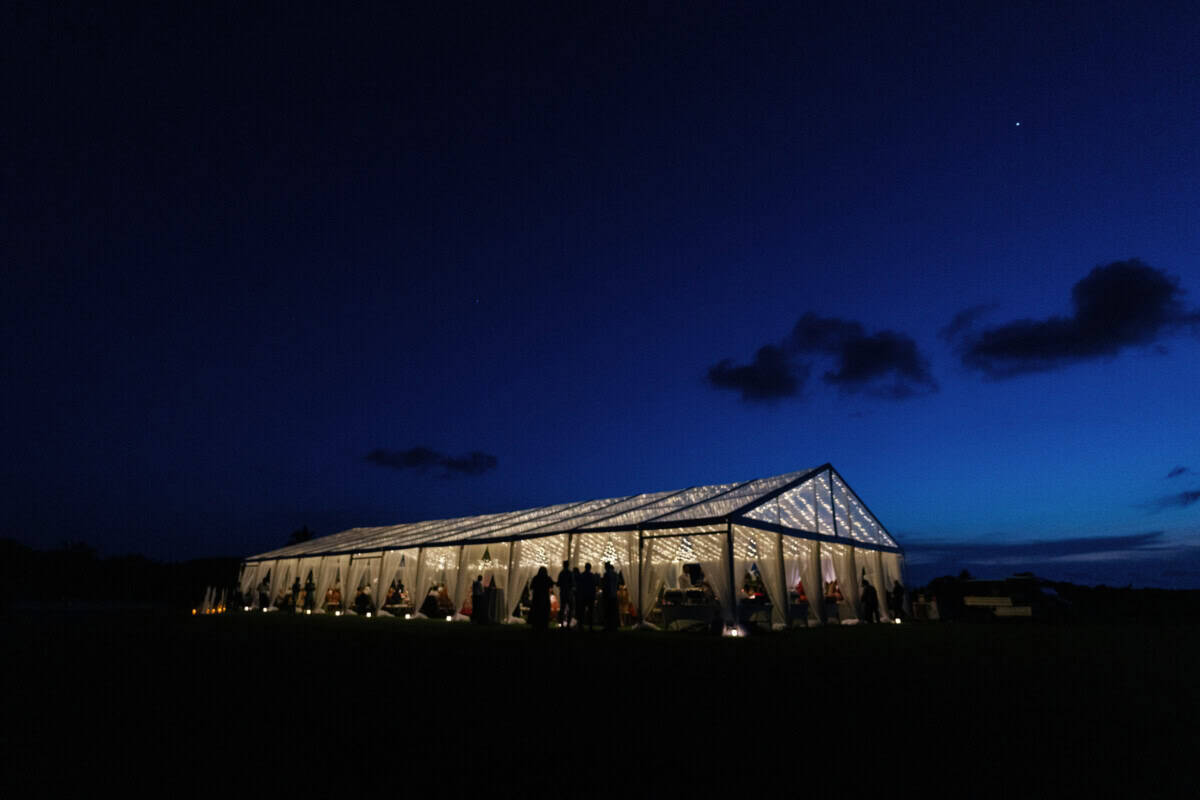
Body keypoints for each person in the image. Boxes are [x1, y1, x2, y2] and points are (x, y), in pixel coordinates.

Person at [528, 566, 554, 631]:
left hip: (537, 598)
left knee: (537, 611)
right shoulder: (547, 578)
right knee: (544, 612)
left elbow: (531, 587)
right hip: (545, 597)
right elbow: (551, 586)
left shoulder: (536, 578)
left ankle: (536, 624)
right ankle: (544, 625)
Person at [576, 563, 597, 631]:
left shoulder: (582, 575)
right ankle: (590, 625)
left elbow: (579, 586)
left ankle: (581, 625)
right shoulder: (592, 576)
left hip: (584, 595)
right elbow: (594, 586)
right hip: (590, 595)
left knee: (582, 611)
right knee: (590, 611)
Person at [601, 562, 619, 631]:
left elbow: (605, 586)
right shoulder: (615, 574)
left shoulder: (606, 574)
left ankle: (607, 626)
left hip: (608, 595)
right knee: (613, 612)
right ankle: (614, 626)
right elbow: (617, 585)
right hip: (614, 595)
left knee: (607, 612)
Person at [556, 560, 574, 628]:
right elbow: (572, 583)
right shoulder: (570, 573)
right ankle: (568, 624)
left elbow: (559, 583)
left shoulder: (561, 573)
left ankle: (562, 624)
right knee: (570, 608)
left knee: (562, 608)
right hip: (568, 593)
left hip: (563, 593)